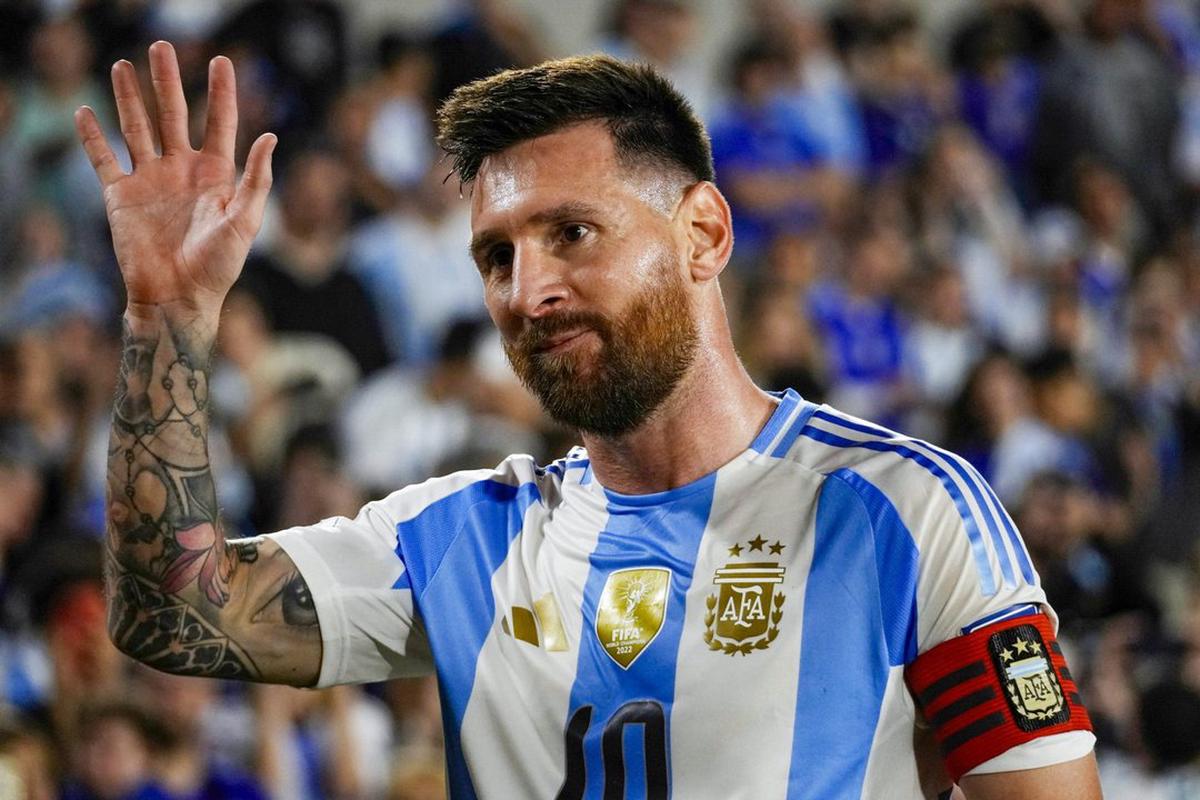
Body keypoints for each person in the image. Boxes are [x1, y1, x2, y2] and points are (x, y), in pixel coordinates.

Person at [75, 42, 1102, 799]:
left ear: (702, 232)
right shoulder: (461, 540)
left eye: (572, 232)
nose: (529, 291)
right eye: (496, 257)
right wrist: (166, 316)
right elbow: (178, 607)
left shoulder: (901, 511)